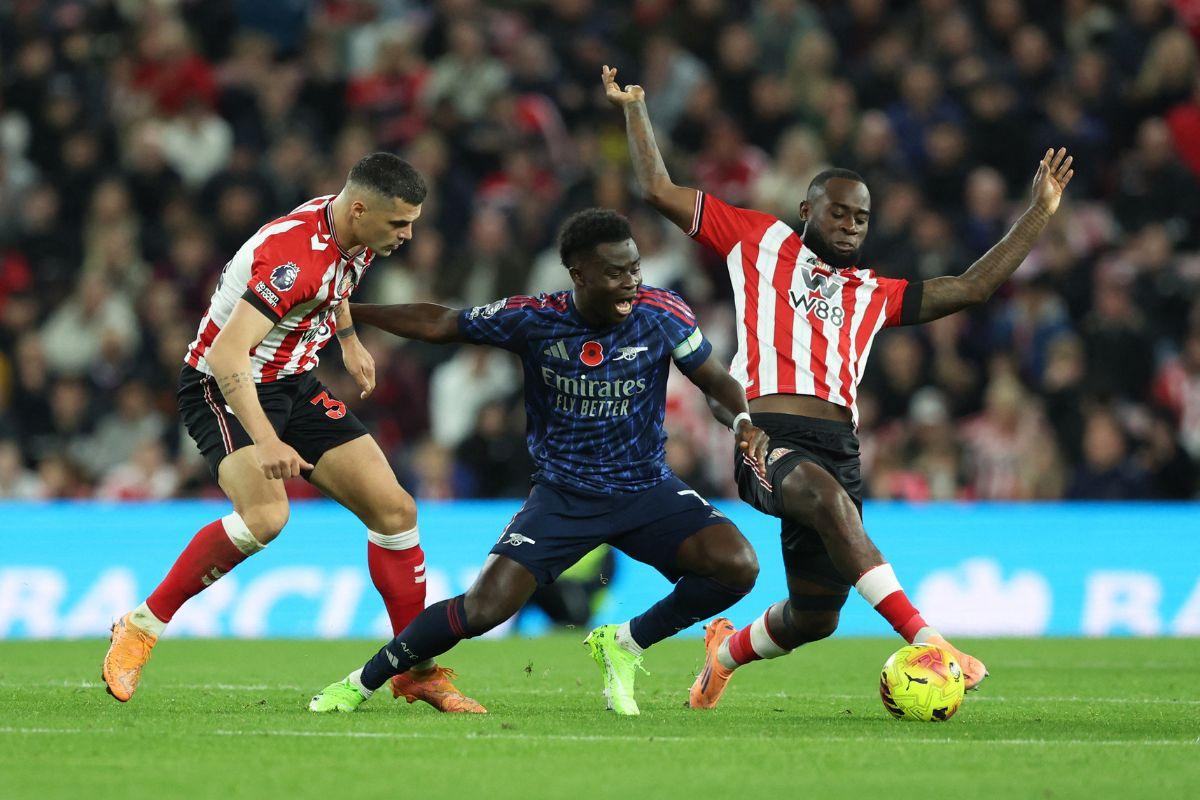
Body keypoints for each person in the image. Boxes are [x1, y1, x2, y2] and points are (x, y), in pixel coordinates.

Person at [603, 64, 1075, 706]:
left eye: (863, 217)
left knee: (815, 617)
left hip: (838, 447)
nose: (853, 224)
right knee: (828, 506)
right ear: (807, 211)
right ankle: (931, 641)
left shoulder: (874, 293)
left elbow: (972, 287)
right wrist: (635, 109)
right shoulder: (757, 240)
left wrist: (1038, 213)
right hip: (765, 437)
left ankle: (720, 653)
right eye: (840, 212)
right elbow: (658, 188)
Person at [307, 208, 768, 716]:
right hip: (565, 495)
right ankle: (361, 682)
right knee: (484, 609)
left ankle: (626, 643)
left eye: (634, 269)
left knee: (737, 567)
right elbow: (441, 322)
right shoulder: (536, 317)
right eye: (615, 273)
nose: (630, 283)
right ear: (579, 275)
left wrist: (742, 422)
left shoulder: (663, 313)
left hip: (646, 488)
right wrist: (350, 313)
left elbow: (718, 385)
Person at [101, 153, 483, 713]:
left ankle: (414, 671)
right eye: (400, 223)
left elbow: (337, 281)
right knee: (267, 517)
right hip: (224, 387)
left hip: (292, 380)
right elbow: (228, 354)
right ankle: (141, 624)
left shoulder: (351, 231)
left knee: (396, 512)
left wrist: (349, 340)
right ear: (360, 209)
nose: (408, 234)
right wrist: (267, 440)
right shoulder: (292, 258)